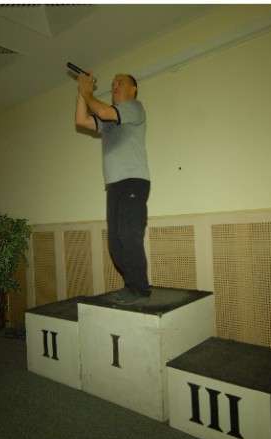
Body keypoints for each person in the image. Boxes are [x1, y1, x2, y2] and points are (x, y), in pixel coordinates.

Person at [75, 71, 151, 304]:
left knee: (129, 235)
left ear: (133, 89)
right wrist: (82, 93)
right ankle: (131, 286)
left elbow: (103, 111)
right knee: (115, 244)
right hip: (114, 185)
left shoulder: (134, 107)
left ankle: (140, 289)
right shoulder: (109, 121)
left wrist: (88, 93)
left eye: (120, 82)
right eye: (113, 83)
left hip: (133, 180)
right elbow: (81, 120)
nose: (115, 85)